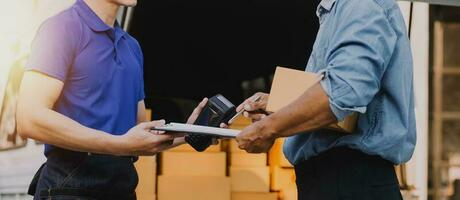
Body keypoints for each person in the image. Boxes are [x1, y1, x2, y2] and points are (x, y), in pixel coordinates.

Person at [16, 0, 204, 199]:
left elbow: (140, 134)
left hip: (122, 189)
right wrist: (121, 145)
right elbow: (29, 119)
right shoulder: (61, 28)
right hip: (70, 189)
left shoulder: (131, 46)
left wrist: (189, 133)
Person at [233, 0, 415, 199]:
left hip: (348, 180)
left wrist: (267, 129)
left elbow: (344, 90)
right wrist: (276, 105)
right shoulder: (342, 9)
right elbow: (342, 91)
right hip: (339, 180)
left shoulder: (359, 4)